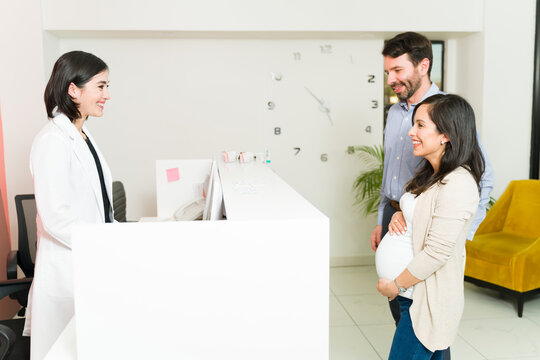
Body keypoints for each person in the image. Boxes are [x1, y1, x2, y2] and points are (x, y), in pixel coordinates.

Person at [370, 32, 494, 360]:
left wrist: (453, 239)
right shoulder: (398, 113)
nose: (391, 79)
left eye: (397, 70)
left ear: (423, 66)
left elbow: (484, 179)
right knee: (408, 321)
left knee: (428, 324)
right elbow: (392, 173)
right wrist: (387, 214)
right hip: (401, 214)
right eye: (387, 72)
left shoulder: (446, 114)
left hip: (432, 232)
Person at [23, 51, 113, 359]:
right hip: (66, 274)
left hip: (88, 265)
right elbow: (56, 217)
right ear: (73, 89)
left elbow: (98, 203)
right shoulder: (52, 141)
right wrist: (103, 243)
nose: (107, 95)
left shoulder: (81, 136)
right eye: (100, 87)